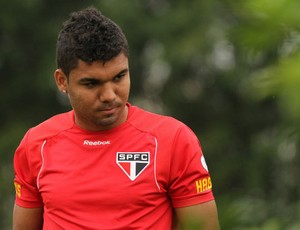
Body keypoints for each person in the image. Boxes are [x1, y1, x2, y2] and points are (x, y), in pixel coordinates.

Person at [13, 7, 220, 230]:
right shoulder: (36, 144)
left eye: (119, 77)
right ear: (62, 81)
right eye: (92, 83)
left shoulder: (174, 140)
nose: (109, 95)